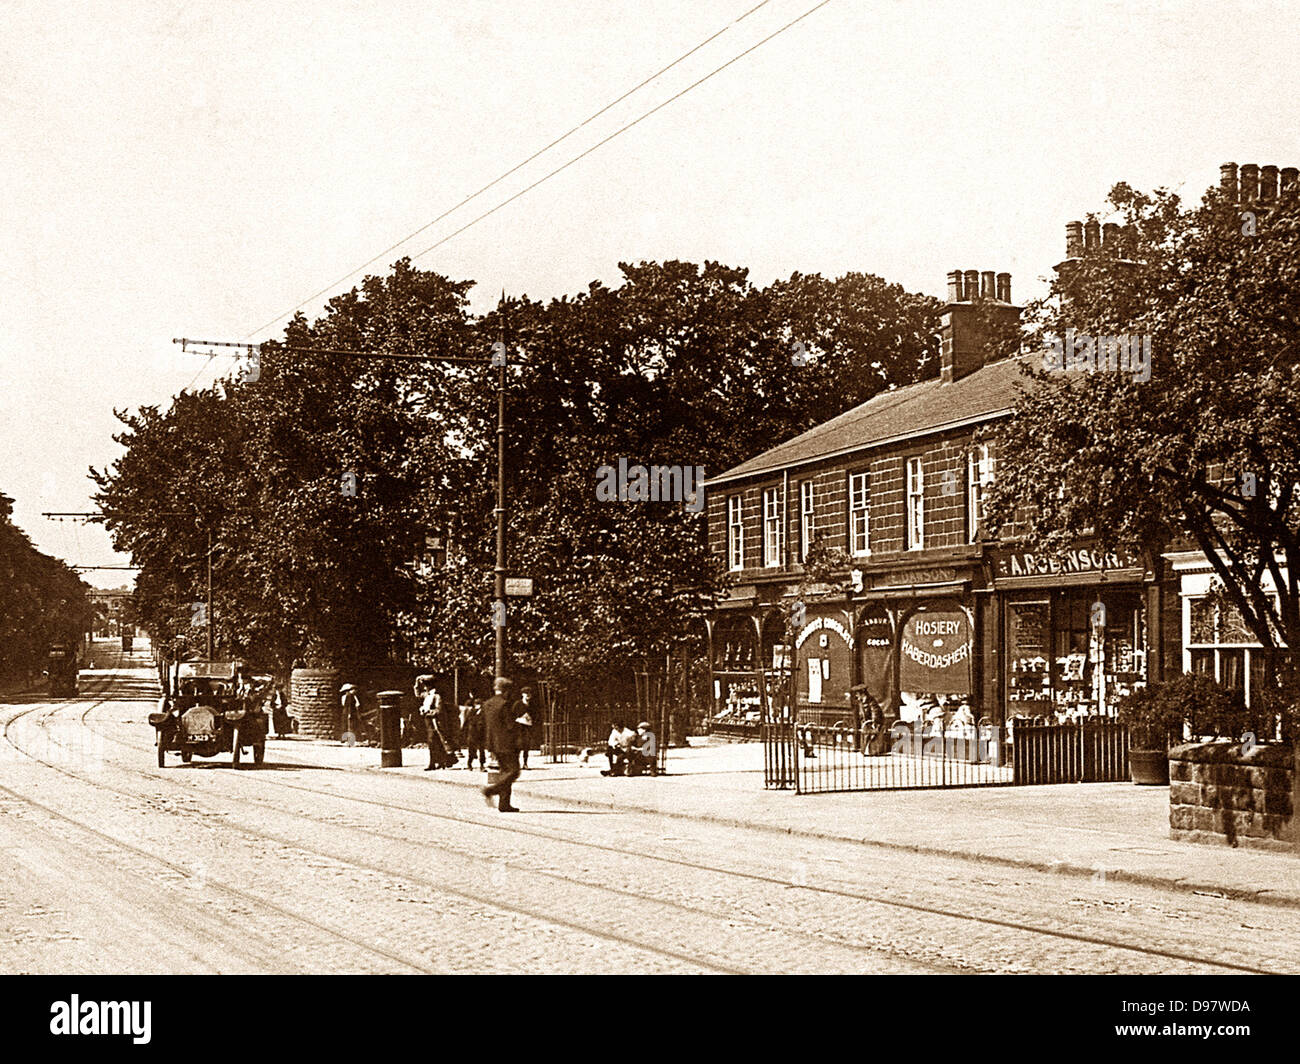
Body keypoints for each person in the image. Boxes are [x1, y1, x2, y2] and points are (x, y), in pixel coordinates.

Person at [481, 677, 522, 812]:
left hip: (493, 743)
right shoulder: (505, 704)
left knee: (504, 772)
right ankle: (491, 790)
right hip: (507, 743)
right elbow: (509, 725)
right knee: (513, 771)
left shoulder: (487, 704)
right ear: (506, 690)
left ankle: (504, 804)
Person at [415, 675, 454, 770]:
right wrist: (417, 682)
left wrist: (426, 712)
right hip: (428, 721)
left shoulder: (436, 696)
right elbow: (417, 694)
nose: (424, 687)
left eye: (425, 685)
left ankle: (436, 762)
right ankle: (438, 762)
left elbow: (439, 710)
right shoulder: (427, 695)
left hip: (436, 722)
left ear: (429, 686)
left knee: (434, 742)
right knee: (433, 743)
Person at [461, 696, 486, 770]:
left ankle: (482, 765)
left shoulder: (483, 713)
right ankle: (469, 763)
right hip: (472, 733)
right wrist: (463, 732)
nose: (478, 706)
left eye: (479, 704)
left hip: (481, 733)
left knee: (482, 750)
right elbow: (467, 722)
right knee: (472, 750)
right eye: (476, 704)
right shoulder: (471, 712)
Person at [515, 688, 536, 768]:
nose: (528, 695)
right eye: (526, 693)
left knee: (526, 745)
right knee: (518, 745)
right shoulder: (518, 704)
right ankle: (516, 763)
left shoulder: (532, 704)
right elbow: (512, 714)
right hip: (519, 726)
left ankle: (525, 763)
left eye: (529, 694)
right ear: (522, 694)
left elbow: (536, 714)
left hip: (528, 726)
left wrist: (531, 718)